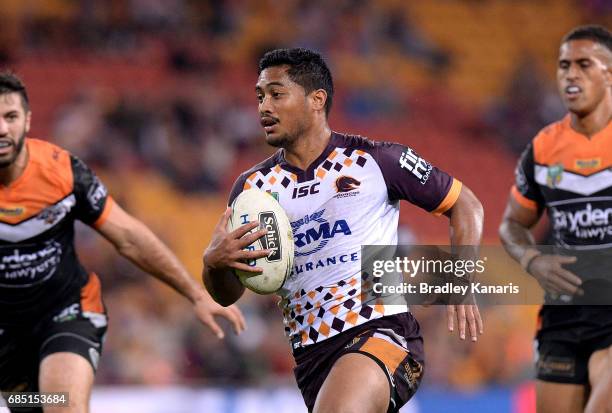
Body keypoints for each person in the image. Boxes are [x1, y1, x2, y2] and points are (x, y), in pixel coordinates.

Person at [203, 48, 484, 413]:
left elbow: (467, 206)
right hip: (312, 359)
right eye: (259, 97)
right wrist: (215, 264)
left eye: (276, 94)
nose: (263, 107)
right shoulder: (251, 191)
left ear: (316, 100)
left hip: (383, 333)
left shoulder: (377, 161)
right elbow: (227, 295)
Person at [0, 72, 246, 413]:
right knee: (36, 406)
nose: (2, 128)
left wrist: (195, 293)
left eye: (10, 116)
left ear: (27, 120)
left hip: (66, 312)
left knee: (64, 405)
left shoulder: (61, 172)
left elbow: (128, 237)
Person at [499, 25, 612, 413]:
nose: (571, 74)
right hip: (562, 318)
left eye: (584, 64)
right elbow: (512, 225)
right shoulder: (544, 148)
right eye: (564, 65)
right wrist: (533, 259)